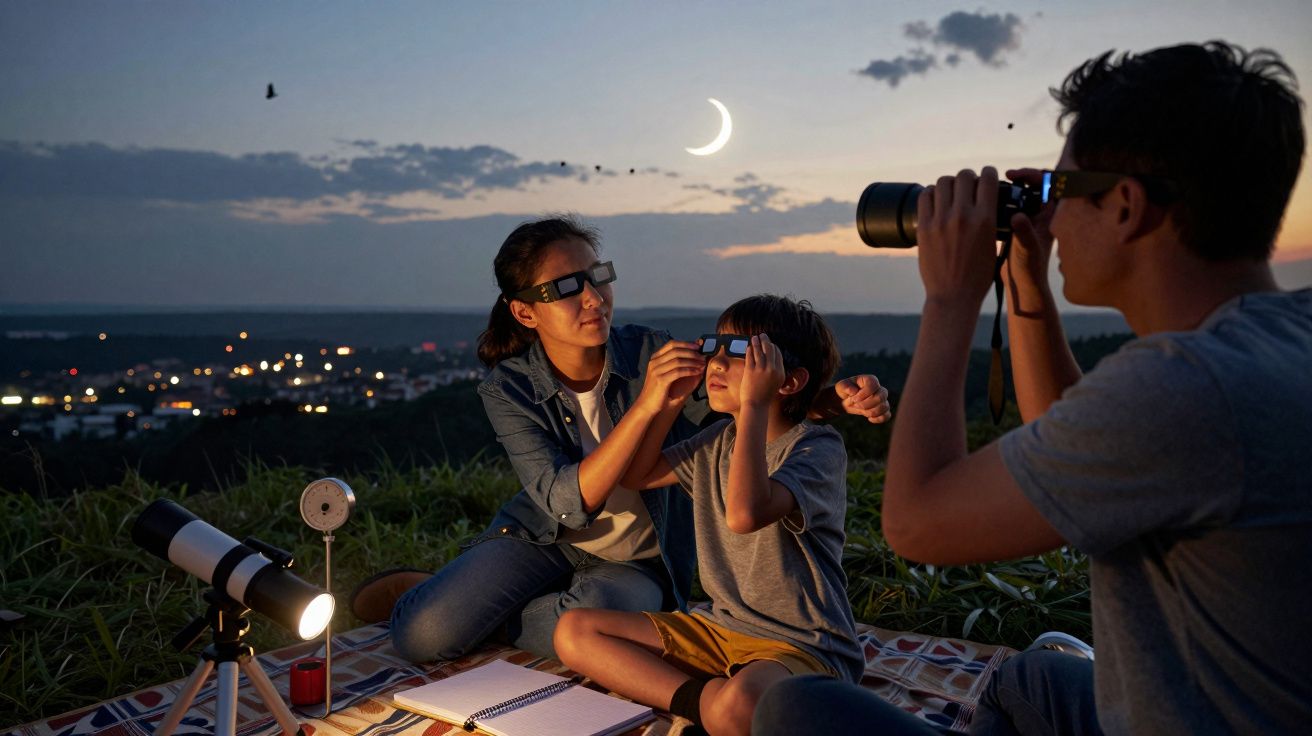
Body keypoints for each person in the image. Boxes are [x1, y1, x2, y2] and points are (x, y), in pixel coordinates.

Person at [754, 41, 1311, 734]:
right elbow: (1069, 426)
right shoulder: (1276, 336)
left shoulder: (1184, 388)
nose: (1053, 213)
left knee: (795, 707)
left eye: (1064, 190)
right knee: (1030, 676)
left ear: (1126, 207)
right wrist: (1026, 278)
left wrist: (950, 299)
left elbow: (916, 524)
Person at [355, 217, 892, 663]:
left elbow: (745, 397)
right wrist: (649, 403)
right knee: (423, 637)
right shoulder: (509, 388)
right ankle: (442, 597)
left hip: (637, 559)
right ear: (524, 311)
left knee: (587, 628)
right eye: (567, 287)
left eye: (597, 277)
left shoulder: (652, 351)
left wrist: (832, 399)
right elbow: (566, 503)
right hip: (541, 537)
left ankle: (481, 611)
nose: (593, 298)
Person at [554, 295, 863, 736]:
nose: (716, 363)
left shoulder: (816, 449)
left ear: (788, 381)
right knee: (574, 631)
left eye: (739, 353)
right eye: (714, 347)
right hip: (721, 629)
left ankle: (720, 704)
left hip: (801, 644)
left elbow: (744, 514)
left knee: (740, 704)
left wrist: (754, 407)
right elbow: (639, 474)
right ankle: (700, 702)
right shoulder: (719, 439)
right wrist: (667, 403)